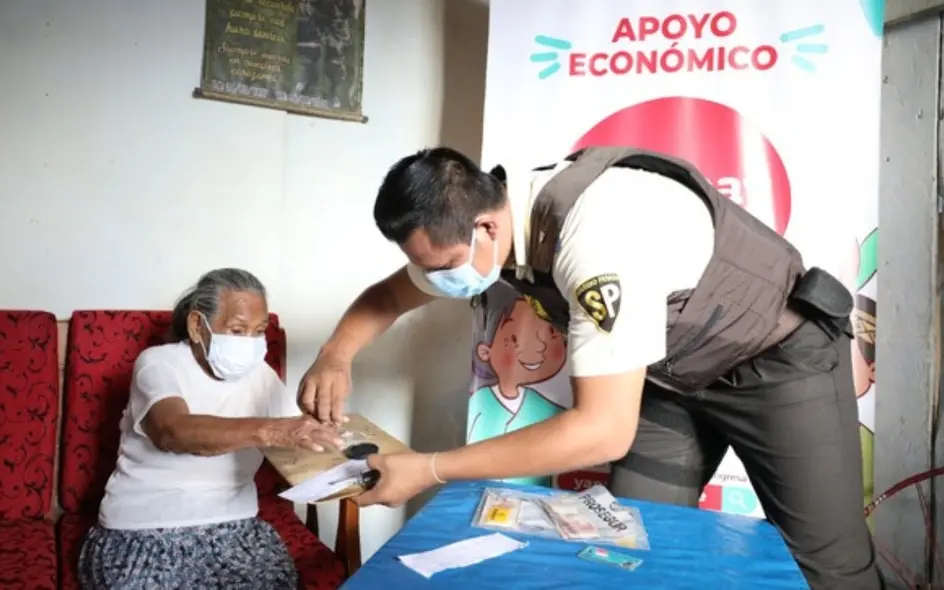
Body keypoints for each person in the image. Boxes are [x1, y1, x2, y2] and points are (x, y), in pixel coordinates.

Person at [296, 146, 883, 589]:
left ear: (487, 228)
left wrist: (428, 469)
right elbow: (391, 296)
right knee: (631, 546)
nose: (444, 282)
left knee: (828, 568)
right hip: (671, 378)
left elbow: (601, 430)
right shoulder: (477, 228)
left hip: (777, 362)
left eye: (448, 267)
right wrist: (334, 355)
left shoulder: (596, 238)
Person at [78, 268, 341, 590]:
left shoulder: (262, 375)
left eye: (258, 332)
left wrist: (340, 443)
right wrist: (271, 431)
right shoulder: (159, 363)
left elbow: (299, 439)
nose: (250, 343)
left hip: (235, 529)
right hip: (141, 530)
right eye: (237, 330)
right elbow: (172, 431)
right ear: (196, 325)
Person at [468, 287, 566, 486]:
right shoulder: (482, 401)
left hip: (541, 498)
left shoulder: (546, 407)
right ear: (485, 351)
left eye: (550, 334)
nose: (538, 348)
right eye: (515, 340)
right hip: (487, 494)